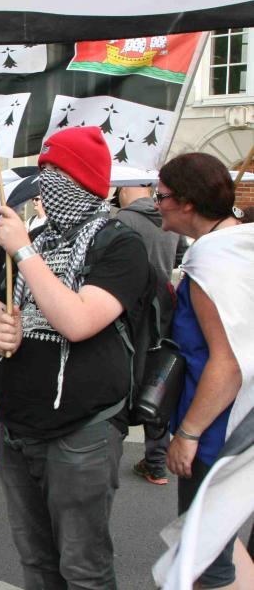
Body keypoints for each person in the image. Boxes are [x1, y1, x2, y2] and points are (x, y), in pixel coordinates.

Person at [0, 126, 150, 589]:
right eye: (44, 170)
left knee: (83, 569)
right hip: (18, 427)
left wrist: (25, 250)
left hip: (81, 432)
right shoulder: (30, 242)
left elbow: (77, 321)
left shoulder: (118, 243)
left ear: (86, 181)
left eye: (58, 171)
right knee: (36, 563)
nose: (47, 182)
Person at [156, 152, 254, 589]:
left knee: (205, 560)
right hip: (242, 419)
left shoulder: (211, 262)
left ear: (187, 203)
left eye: (161, 197)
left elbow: (227, 362)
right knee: (221, 539)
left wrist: (188, 434)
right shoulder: (239, 246)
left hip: (220, 428)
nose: (156, 203)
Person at [114, 185, 183, 486]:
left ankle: (110, 453)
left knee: (123, 373)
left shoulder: (121, 221)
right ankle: (156, 461)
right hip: (164, 302)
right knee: (158, 373)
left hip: (129, 306)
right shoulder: (171, 219)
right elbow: (180, 256)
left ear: (128, 189)